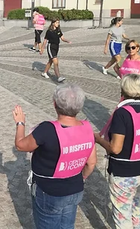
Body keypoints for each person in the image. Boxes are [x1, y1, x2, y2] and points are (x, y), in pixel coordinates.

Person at [12, 84, 96, 229]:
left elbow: (20, 145)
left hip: (49, 192)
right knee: (67, 226)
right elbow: (91, 163)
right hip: (75, 189)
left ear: (55, 104)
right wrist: (81, 178)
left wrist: (20, 123)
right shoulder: (87, 128)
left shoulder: (47, 129)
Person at [95, 74, 140, 228]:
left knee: (122, 214)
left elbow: (115, 148)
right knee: (138, 208)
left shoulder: (122, 113)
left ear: (124, 89)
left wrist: (98, 139)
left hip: (124, 172)